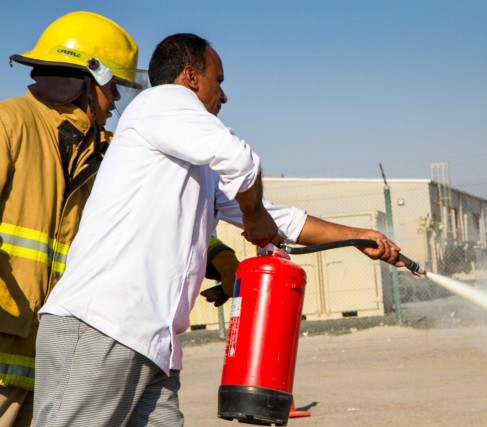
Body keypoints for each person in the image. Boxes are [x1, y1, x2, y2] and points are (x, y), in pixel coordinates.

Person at [33, 33, 404, 426]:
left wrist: (358, 237)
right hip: (101, 325)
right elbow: (242, 163)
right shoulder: (161, 103)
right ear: (191, 77)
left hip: (150, 342)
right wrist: (255, 213)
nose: (224, 97)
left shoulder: (193, 164)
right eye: (219, 81)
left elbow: (277, 218)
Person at [0, 11, 146, 427]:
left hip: (52, 361)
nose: (116, 100)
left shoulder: (104, 151)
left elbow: (160, 204)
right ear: (89, 78)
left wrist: (214, 251)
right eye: (113, 87)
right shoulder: (9, 123)